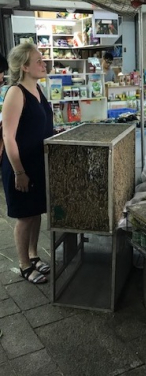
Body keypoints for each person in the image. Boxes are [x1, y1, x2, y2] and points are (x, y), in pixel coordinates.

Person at [1, 43, 53, 284]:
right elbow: (8, 137)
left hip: (37, 163)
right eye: (39, 61)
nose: (44, 64)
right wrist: (18, 172)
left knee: (35, 211)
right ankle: (23, 264)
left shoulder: (38, 89)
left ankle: (33, 255)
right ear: (24, 66)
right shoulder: (16, 92)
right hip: (20, 165)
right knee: (24, 216)